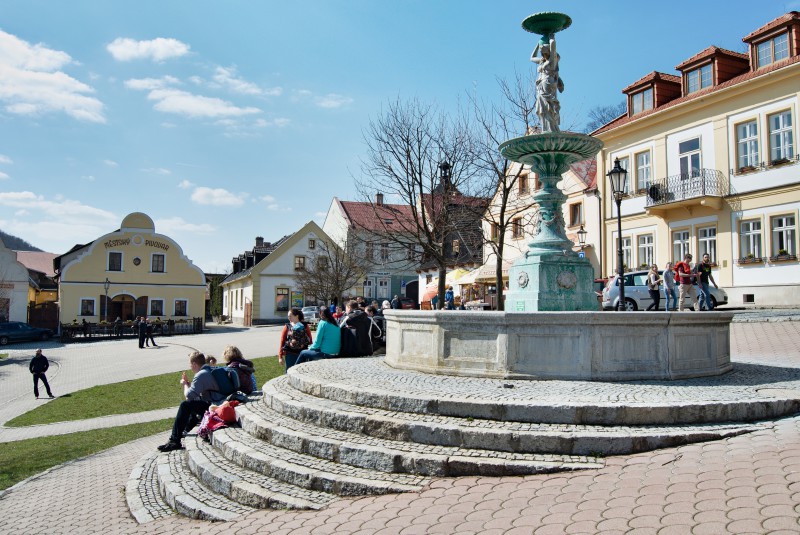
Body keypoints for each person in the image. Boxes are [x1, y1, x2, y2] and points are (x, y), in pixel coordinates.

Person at [158, 351, 226, 452]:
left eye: (190, 364)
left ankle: (175, 440)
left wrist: (185, 384)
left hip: (214, 408)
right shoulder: (210, 370)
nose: (190, 367)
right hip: (218, 404)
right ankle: (180, 434)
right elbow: (196, 393)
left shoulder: (201, 375)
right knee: (192, 406)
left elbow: (188, 396)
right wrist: (189, 384)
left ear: (194, 364)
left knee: (185, 405)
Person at [530, 35, 563, 133]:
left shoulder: (552, 61)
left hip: (548, 83)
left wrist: (552, 37)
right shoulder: (541, 61)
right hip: (541, 85)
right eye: (542, 51)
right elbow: (531, 58)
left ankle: (552, 129)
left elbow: (553, 45)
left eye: (545, 50)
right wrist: (537, 44)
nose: (543, 52)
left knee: (549, 107)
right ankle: (545, 128)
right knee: (542, 109)